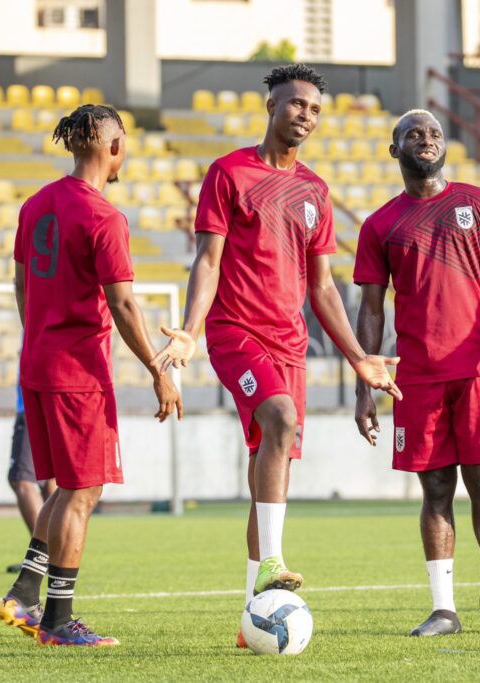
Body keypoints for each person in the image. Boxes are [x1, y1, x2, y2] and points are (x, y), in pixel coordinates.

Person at [156, 64, 402, 647]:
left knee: (274, 464)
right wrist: (190, 331)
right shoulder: (228, 173)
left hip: (289, 344)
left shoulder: (315, 192)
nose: (305, 116)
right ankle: (273, 564)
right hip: (235, 332)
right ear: (270, 106)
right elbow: (208, 261)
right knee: (283, 422)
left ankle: (253, 612)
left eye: (315, 109)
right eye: (296, 104)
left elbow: (322, 288)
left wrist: (361, 358)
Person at [0, 104, 183, 647]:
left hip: (37, 364)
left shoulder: (35, 205)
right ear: (113, 147)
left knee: (65, 488)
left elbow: (21, 284)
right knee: (83, 491)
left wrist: (40, 336)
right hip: (77, 371)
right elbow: (123, 306)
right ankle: (57, 623)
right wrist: (158, 370)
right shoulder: (104, 216)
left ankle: (26, 593)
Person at [352, 110, 480, 636]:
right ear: (395, 151)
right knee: (435, 491)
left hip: (478, 370)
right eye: (413, 134)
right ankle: (444, 609)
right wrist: (367, 384)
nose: (425, 140)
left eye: (433, 133)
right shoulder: (380, 224)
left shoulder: (479, 204)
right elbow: (370, 309)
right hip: (418, 377)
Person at [6, 378, 57, 574]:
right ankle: (57, 554)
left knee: (21, 480)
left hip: (33, 402)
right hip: (52, 403)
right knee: (50, 480)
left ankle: (41, 556)